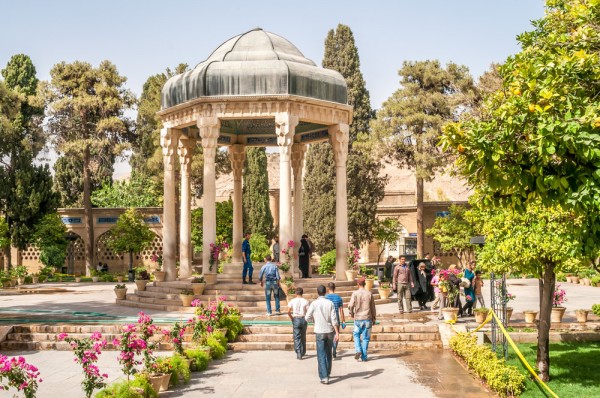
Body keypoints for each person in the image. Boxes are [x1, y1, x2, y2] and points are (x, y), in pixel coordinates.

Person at [305, 285, 339, 384]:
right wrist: (337, 332)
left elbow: (307, 317)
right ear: (325, 292)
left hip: (319, 330)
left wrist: (313, 320)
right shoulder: (330, 303)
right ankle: (327, 372)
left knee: (321, 354)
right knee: (329, 353)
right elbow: (334, 319)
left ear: (317, 292)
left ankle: (324, 376)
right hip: (329, 331)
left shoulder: (314, 304)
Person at [348, 278, 376, 362]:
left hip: (358, 319)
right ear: (365, 284)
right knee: (366, 338)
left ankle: (358, 350)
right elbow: (373, 307)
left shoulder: (355, 293)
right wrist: (374, 318)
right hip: (367, 318)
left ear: (358, 284)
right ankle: (364, 357)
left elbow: (350, 305)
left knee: (356, 335)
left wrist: (351, 313)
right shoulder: (369, 293)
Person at [287, 286, 309, 359]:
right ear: (302, 293)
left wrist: (292, 318)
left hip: (296, 319)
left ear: (296, 293)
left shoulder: (292, 301)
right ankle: (303, 351)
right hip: (303, 319)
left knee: (297, 337)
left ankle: (298, 352)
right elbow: (308, 312)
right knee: (303, 336)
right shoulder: (305, 301)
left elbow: (288, 311)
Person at [325, 282, 346, 359]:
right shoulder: (338, 298)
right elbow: (341, 310)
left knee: (328, 335)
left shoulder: (325, 297)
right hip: (336, 317)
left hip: (328, 317)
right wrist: (343, 320)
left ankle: (329, 350)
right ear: (335, 288)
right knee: (336, 335)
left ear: (328, 288)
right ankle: (334, 350)